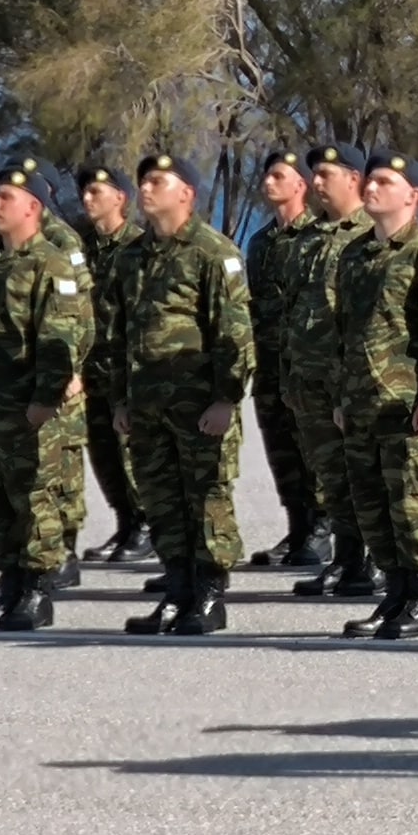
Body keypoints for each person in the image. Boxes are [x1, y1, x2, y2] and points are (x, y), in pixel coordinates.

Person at [112, 151, 256, 636]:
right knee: (161, 501)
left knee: (206, 498)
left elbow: (234, 335)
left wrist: (225, 399)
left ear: (186, 194)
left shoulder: (215, 254)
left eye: (157, 181)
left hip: (199, 406)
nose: (146, 190)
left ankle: (210, 596)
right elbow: (118, 333)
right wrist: (120, 399)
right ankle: (176, 592)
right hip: (147, 407)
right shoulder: (130, 257)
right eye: (143, 181)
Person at [332, 154, 418, 640]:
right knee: (373, 508)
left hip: (410, 408)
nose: (371, 189)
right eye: (369, 181)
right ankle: (394, 596)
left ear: (412, 195)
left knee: (416, 505)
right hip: (364, 406)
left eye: (385, 182)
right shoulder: (354, 256)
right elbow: (345, 333)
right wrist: (341, 398)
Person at [0, 158, 92, 632]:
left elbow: (66, 335)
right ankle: (10, 584)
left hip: (29, 407)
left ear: (33, 207)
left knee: (35, 500)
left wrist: (44, 399)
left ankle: (37, 591)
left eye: (5, 198)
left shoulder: (51, 264)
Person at [278, 145, 377, 602]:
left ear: (353, 178)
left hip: (350, 380)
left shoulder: (372, 233)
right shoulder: (307, 237)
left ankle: (375, 561)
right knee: (331, 478)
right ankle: (346, 560)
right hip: (307, 379)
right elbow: (290, 308)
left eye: (325, 175)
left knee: (364, 475)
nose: (316, 183)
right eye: (313, 176)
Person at [239, 152, 325, 567]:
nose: (268, 183)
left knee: (312, 447)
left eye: (278, 176)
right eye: (267, 175)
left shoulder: (317, 237)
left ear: (301, 185)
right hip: (271, 363)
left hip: (305, 364)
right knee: (280, 448)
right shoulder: (260, 243)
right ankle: (298, 527)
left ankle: (322, 528)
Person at [73, 163, 147, 561]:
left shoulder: (136, 247)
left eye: (96, 191)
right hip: (91, 370)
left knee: (129, 452)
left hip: (124, 369)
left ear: (120, 198)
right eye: (85, 192)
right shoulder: (81, 248)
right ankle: (124, 523)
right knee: (103, 454)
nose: (87, 198)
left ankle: (145, 524)